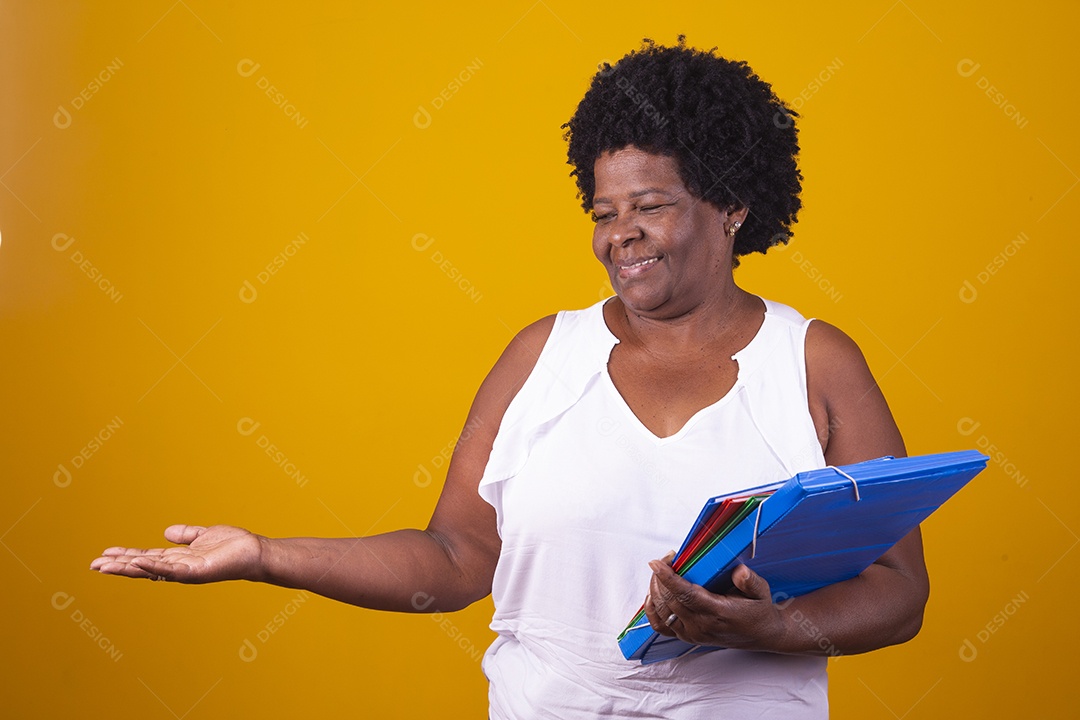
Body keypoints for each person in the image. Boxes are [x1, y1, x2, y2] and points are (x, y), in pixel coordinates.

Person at [91, 38, 929, 718]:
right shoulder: (542, 357)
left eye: (652, 205)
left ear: (732, 206)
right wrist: (266, 555)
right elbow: (456, 558)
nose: (621, 236)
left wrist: (773, 628)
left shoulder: (814, 362)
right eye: (603, 213)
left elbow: (898, 592)